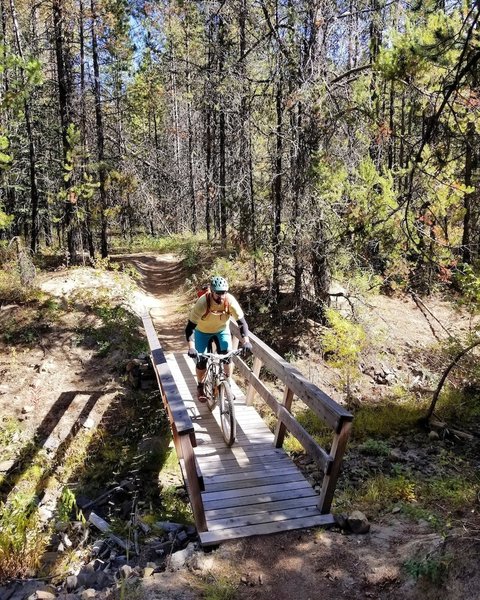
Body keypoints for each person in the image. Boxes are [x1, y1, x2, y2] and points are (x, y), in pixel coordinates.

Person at [185, 275, 252, 403]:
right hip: (202, 332)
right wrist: (191, 347)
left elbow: (242, 323)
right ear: (212, 292)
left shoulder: (230, 301)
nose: (221, 297)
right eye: (218, 293)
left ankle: (228, 385)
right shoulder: (202, 303)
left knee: (227, 357)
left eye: (224, 293)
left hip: (221, 330)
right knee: (202, 361)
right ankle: (200, 386)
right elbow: (190, 328)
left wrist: (246, 341)